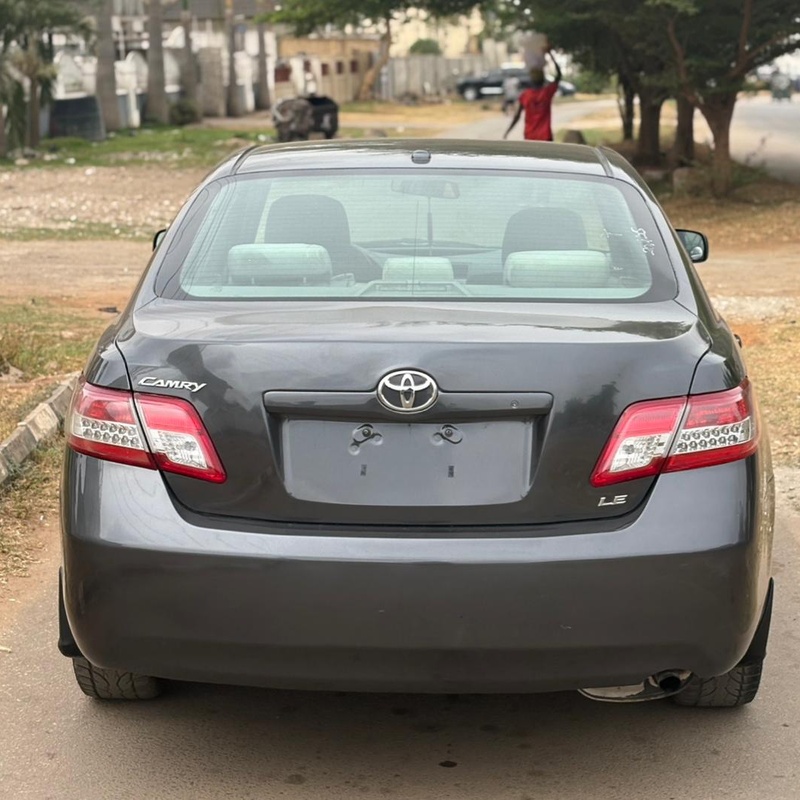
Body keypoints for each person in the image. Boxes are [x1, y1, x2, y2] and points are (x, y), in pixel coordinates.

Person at [504, 50, 562, 141]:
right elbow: (558, 76)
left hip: (530, 136)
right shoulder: (547, 92)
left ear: (531, 79)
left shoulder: (525, 95)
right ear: (543, 80)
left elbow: (517, 116)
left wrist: (508, 131)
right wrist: (550, 54)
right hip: (545, 136)